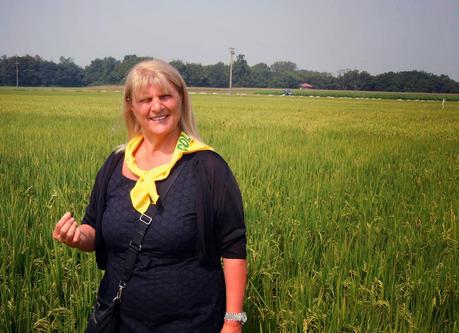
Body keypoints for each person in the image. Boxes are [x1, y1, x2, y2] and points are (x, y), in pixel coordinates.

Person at [52, 59, 247, 332]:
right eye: (145, 99)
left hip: (191, 322)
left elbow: (234, 247)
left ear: (180, 99)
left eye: (165, 96)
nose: (157, 107)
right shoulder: (116, 163)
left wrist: (233, 322)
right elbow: (93, 227)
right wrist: (78, 237)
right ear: (131, 105)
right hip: (120, 319)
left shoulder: (207, 166)